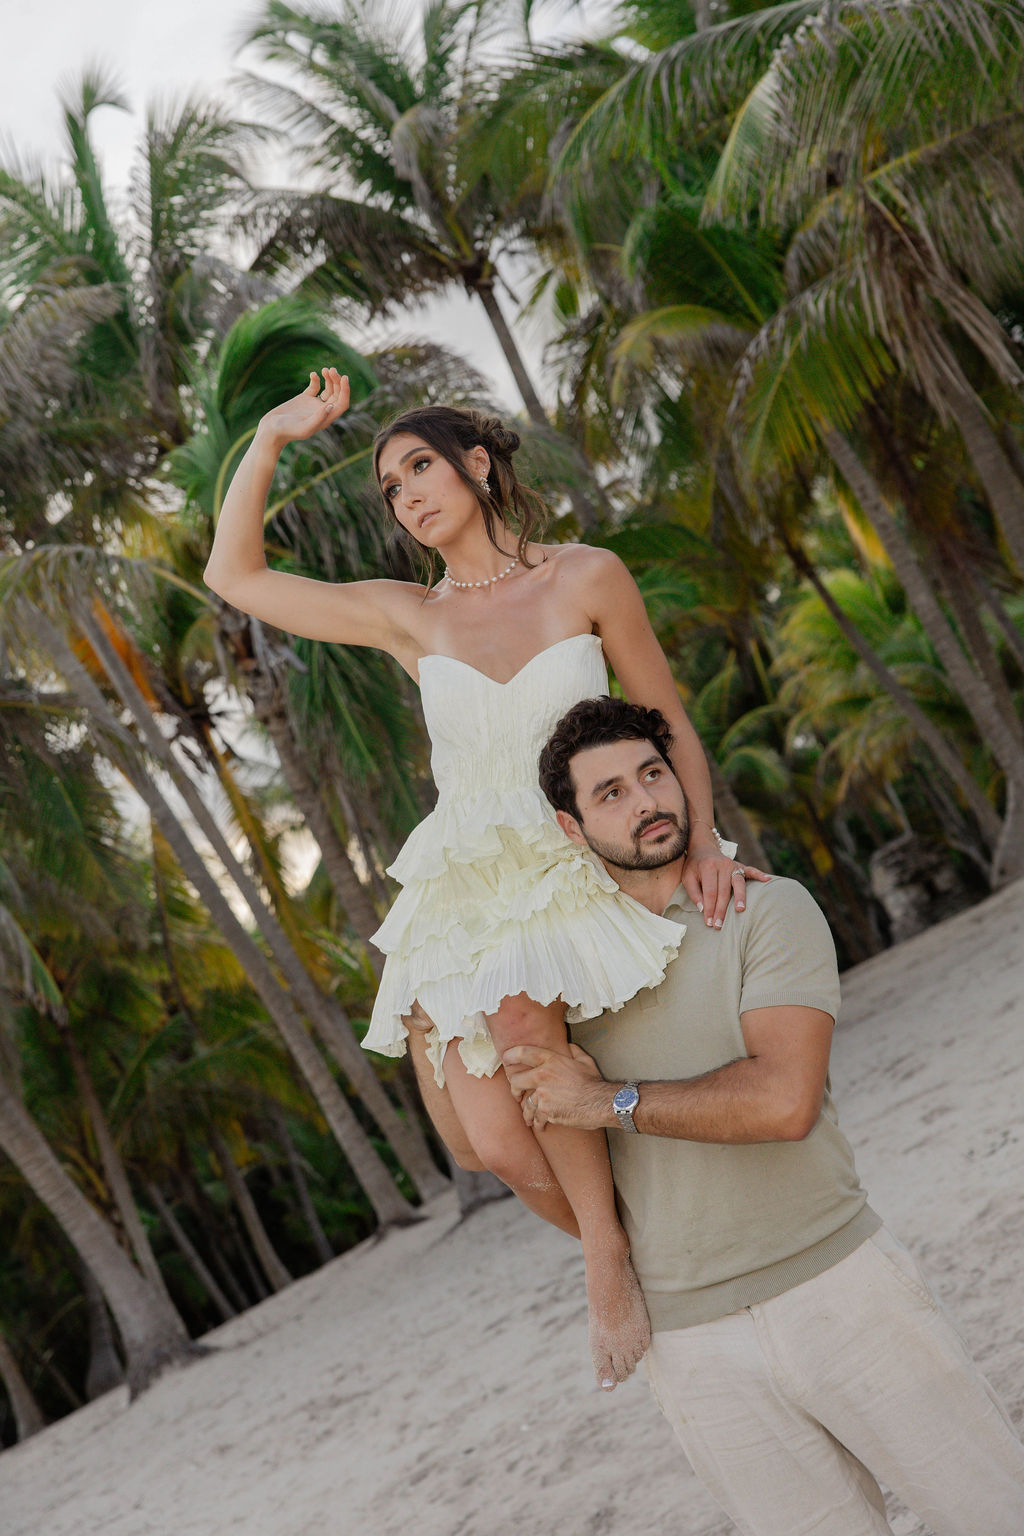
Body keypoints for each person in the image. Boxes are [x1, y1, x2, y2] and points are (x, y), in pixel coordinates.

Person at [202, 367, 767, 1388]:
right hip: (461, 887)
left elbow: (664, 719)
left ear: (476, 463)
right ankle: (661, 1253)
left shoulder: (586, 576)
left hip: (564, 855)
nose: (407, 495)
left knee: (518, 1041)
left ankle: (610, 1265)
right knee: (486, 1146)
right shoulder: (407, 615)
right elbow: (235, 576)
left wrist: (701, 843)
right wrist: (272, 438)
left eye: (420, 467)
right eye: (390, 488)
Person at [496, 695, 1024, 1536]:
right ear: (571, 828)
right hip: (692, 1344)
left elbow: (783, 1101)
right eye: (611, 794)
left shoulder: (765, 909)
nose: (646, 802)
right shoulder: (558, 980)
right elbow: (501, 1134)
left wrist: (607, 1100)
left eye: (653, 774)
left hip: (842, 1286)